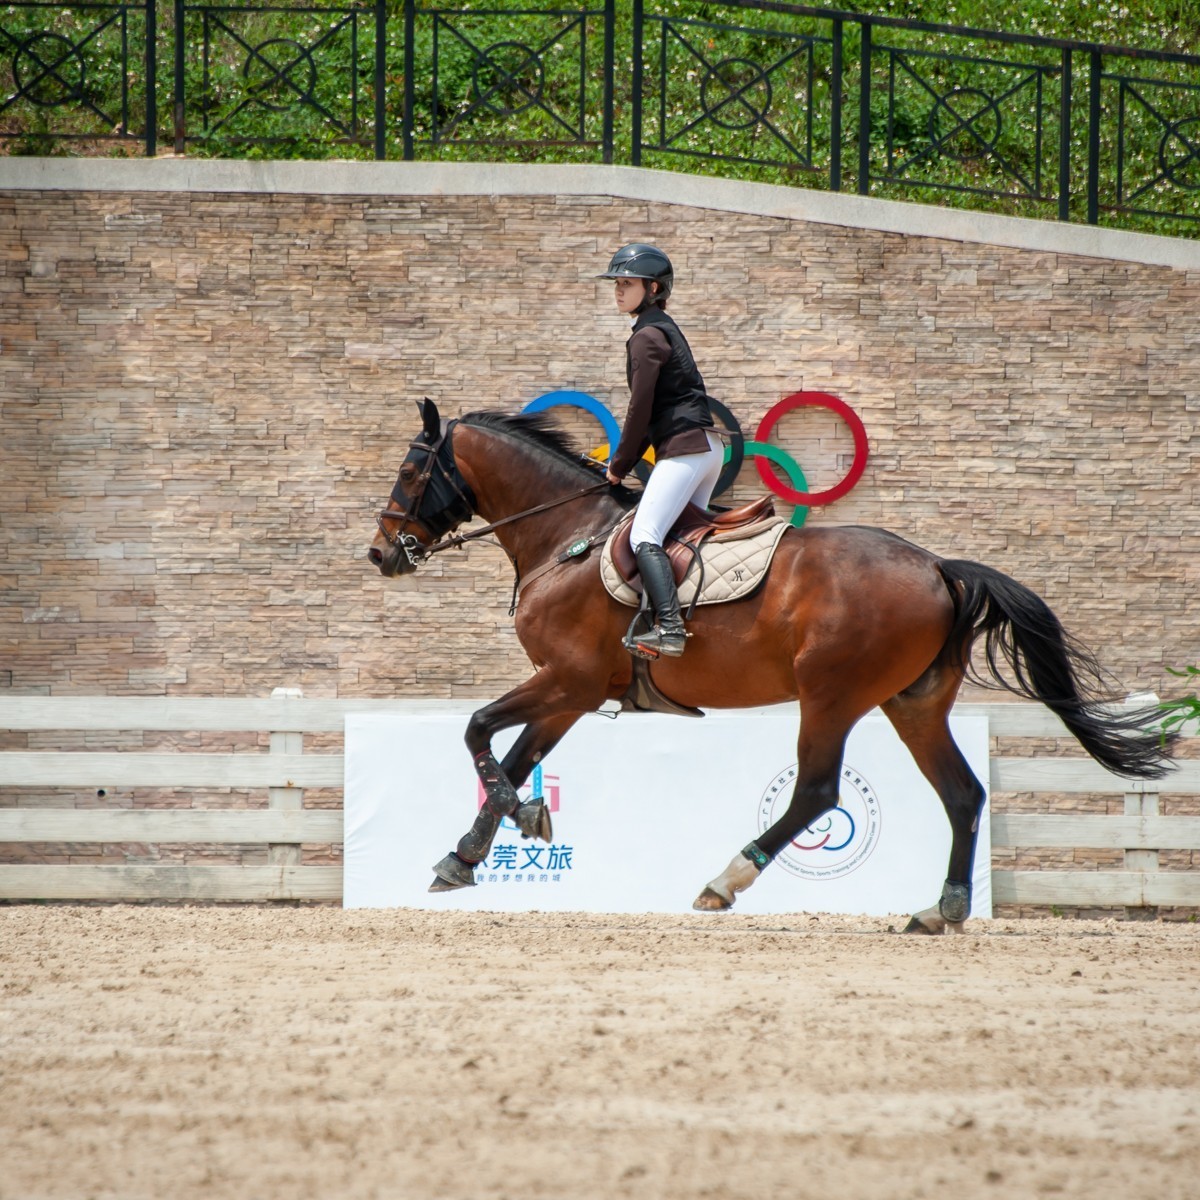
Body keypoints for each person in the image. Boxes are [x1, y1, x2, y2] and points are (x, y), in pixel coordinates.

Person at [598, 243, 725, 658]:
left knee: (644, 535)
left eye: (627, 283)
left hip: (685, 449)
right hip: (703, 447)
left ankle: (670, 627)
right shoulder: (661, 327)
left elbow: (640, 409)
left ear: (652, 288)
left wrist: (619, 465)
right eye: (616, 283)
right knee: (679, 538)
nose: (618, 290)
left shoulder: (646, 337)